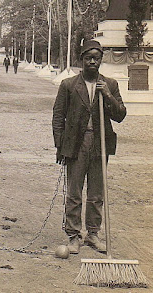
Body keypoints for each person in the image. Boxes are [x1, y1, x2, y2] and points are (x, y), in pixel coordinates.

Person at [52, 40, 126, 254]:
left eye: (96, 58)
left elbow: (120, 115)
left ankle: (92, 234)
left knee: (96, 193)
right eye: (88, 58)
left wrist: (109, 96)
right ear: (81, 60)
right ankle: (73, 235)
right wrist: (60, 146)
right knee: (74, 191)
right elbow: (58, 117)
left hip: (100, 143)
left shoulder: (110, 84)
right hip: (76, 143)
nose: (92, 62)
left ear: (101, 60)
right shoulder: (68, 85)